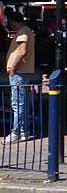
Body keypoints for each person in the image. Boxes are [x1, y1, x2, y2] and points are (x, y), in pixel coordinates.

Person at [4, 11, 35, 144]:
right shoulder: (27, 31)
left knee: (17, 103)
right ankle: (23, 131)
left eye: (11, 23)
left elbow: (22, 51)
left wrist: (13, 68)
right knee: (22, 102)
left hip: (19, 72)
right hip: (22, 71)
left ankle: (16, 132)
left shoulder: (23, 32)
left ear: (14, 21)